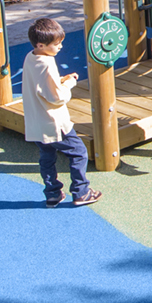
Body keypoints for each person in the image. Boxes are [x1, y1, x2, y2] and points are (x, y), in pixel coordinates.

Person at [22, 18, 101, 208]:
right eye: (56, 44)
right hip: (54, 123)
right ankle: (81, 192)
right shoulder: (47, 64)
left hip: (36, 121)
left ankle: (52, 193)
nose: (60, 47)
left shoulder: (31, 57)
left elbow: (41, 85)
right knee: (79, 152)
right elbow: (57, 97)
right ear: (42, 45)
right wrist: (69, 83)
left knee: (47, 156)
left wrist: (59, 79)